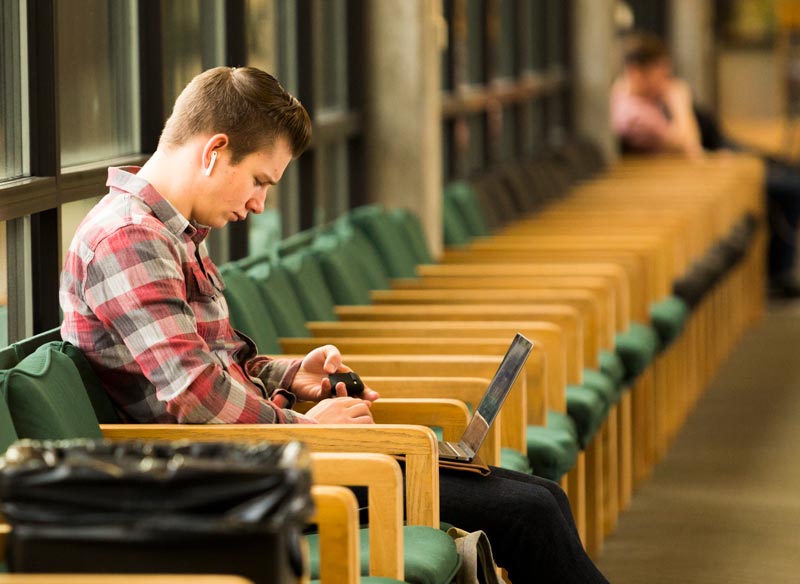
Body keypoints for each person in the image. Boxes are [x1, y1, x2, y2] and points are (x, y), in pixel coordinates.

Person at [59, 66, 609, 583]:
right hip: (225, 484)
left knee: (541, 499)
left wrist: (289, 376)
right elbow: (196, 395)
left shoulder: (172, 236)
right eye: (258, 180)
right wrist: (308, 431)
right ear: (215, 151)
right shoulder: (130, 239)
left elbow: (219, 360)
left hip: (250, 462)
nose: (258, 204)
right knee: (528, 511)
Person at [611, 31, 800, 298]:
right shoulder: (632, 113)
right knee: (788, 186)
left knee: (784, 170)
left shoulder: (640, 99)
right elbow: (690, 148)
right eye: (661, 72)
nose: (666, 80)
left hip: (700, 168)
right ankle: (779, 275)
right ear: (637, 71)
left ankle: (778, 270)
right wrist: (680, 102)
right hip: (680, 182)